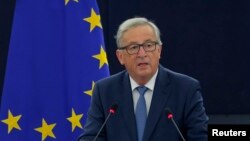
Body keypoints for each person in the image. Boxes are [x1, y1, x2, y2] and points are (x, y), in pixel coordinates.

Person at [78, 17, 209, 141]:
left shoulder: (185, 89)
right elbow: (91, 138)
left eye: (148, 45)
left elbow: (200, 137)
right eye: (133, 47)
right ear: (120, 56)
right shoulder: (105, 91)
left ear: (159, 50)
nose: (142, 54)